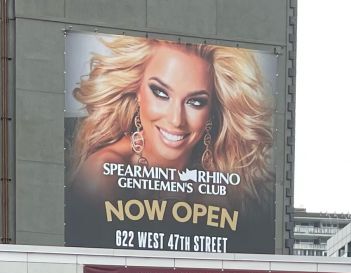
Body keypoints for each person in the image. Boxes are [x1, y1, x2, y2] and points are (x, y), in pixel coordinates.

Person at [66, 36, 275, 253]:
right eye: (160, 93)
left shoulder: (224, 174)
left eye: (196, 102)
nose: (176, 119)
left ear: (212, 110)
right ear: (137, 91)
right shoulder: (103, 173)